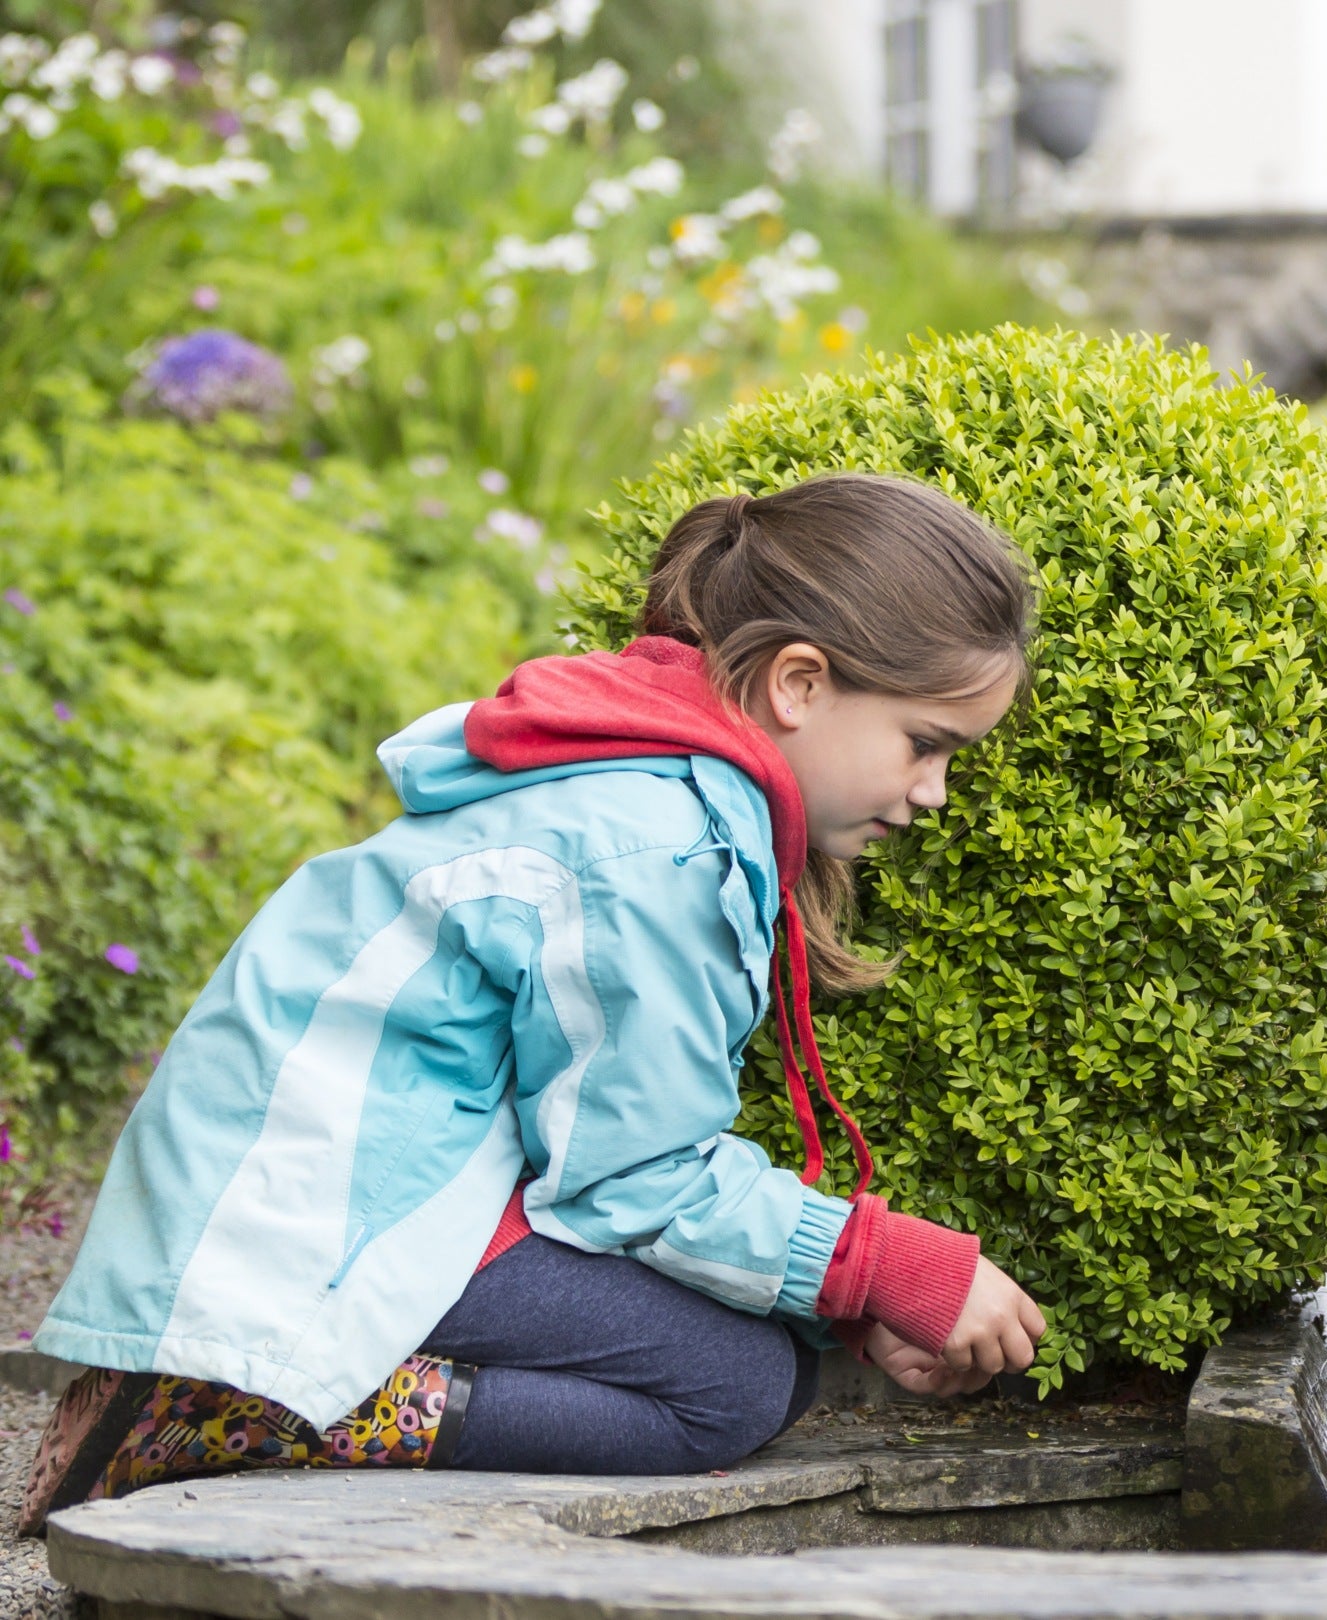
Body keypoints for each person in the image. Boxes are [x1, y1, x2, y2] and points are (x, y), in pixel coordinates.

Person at [20, 473, 1050, 1531]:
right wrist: (887, 1267)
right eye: (927, 744)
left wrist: (845, 1299)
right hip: (310, 1216)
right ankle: (250, 1406)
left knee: (766, 1354)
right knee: (731, 1386)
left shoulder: (645, 781)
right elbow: (634, 1182)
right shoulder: (660, 846)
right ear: (798, 683)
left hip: (314, 1188)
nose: (933, 793)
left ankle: (255, 1386)